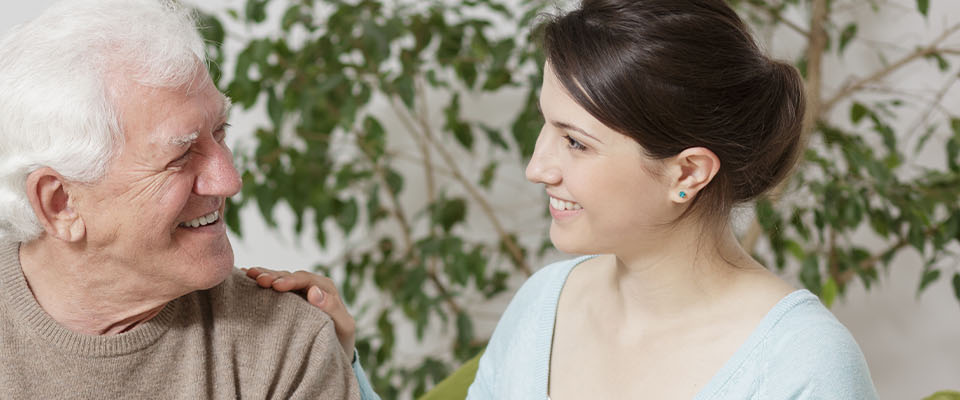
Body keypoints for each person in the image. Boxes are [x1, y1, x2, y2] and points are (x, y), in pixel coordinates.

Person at [250, 0, 877, 398]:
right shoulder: (548, 301)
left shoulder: (805, 366)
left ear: (687, 171)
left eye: (576, 143)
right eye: (545, 125)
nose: (535, 167)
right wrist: (340, 361)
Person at [0, 0, 364, 398]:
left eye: (219, 133)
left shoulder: (284, 345)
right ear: (61, 203)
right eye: (181, 155)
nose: (228, 180)